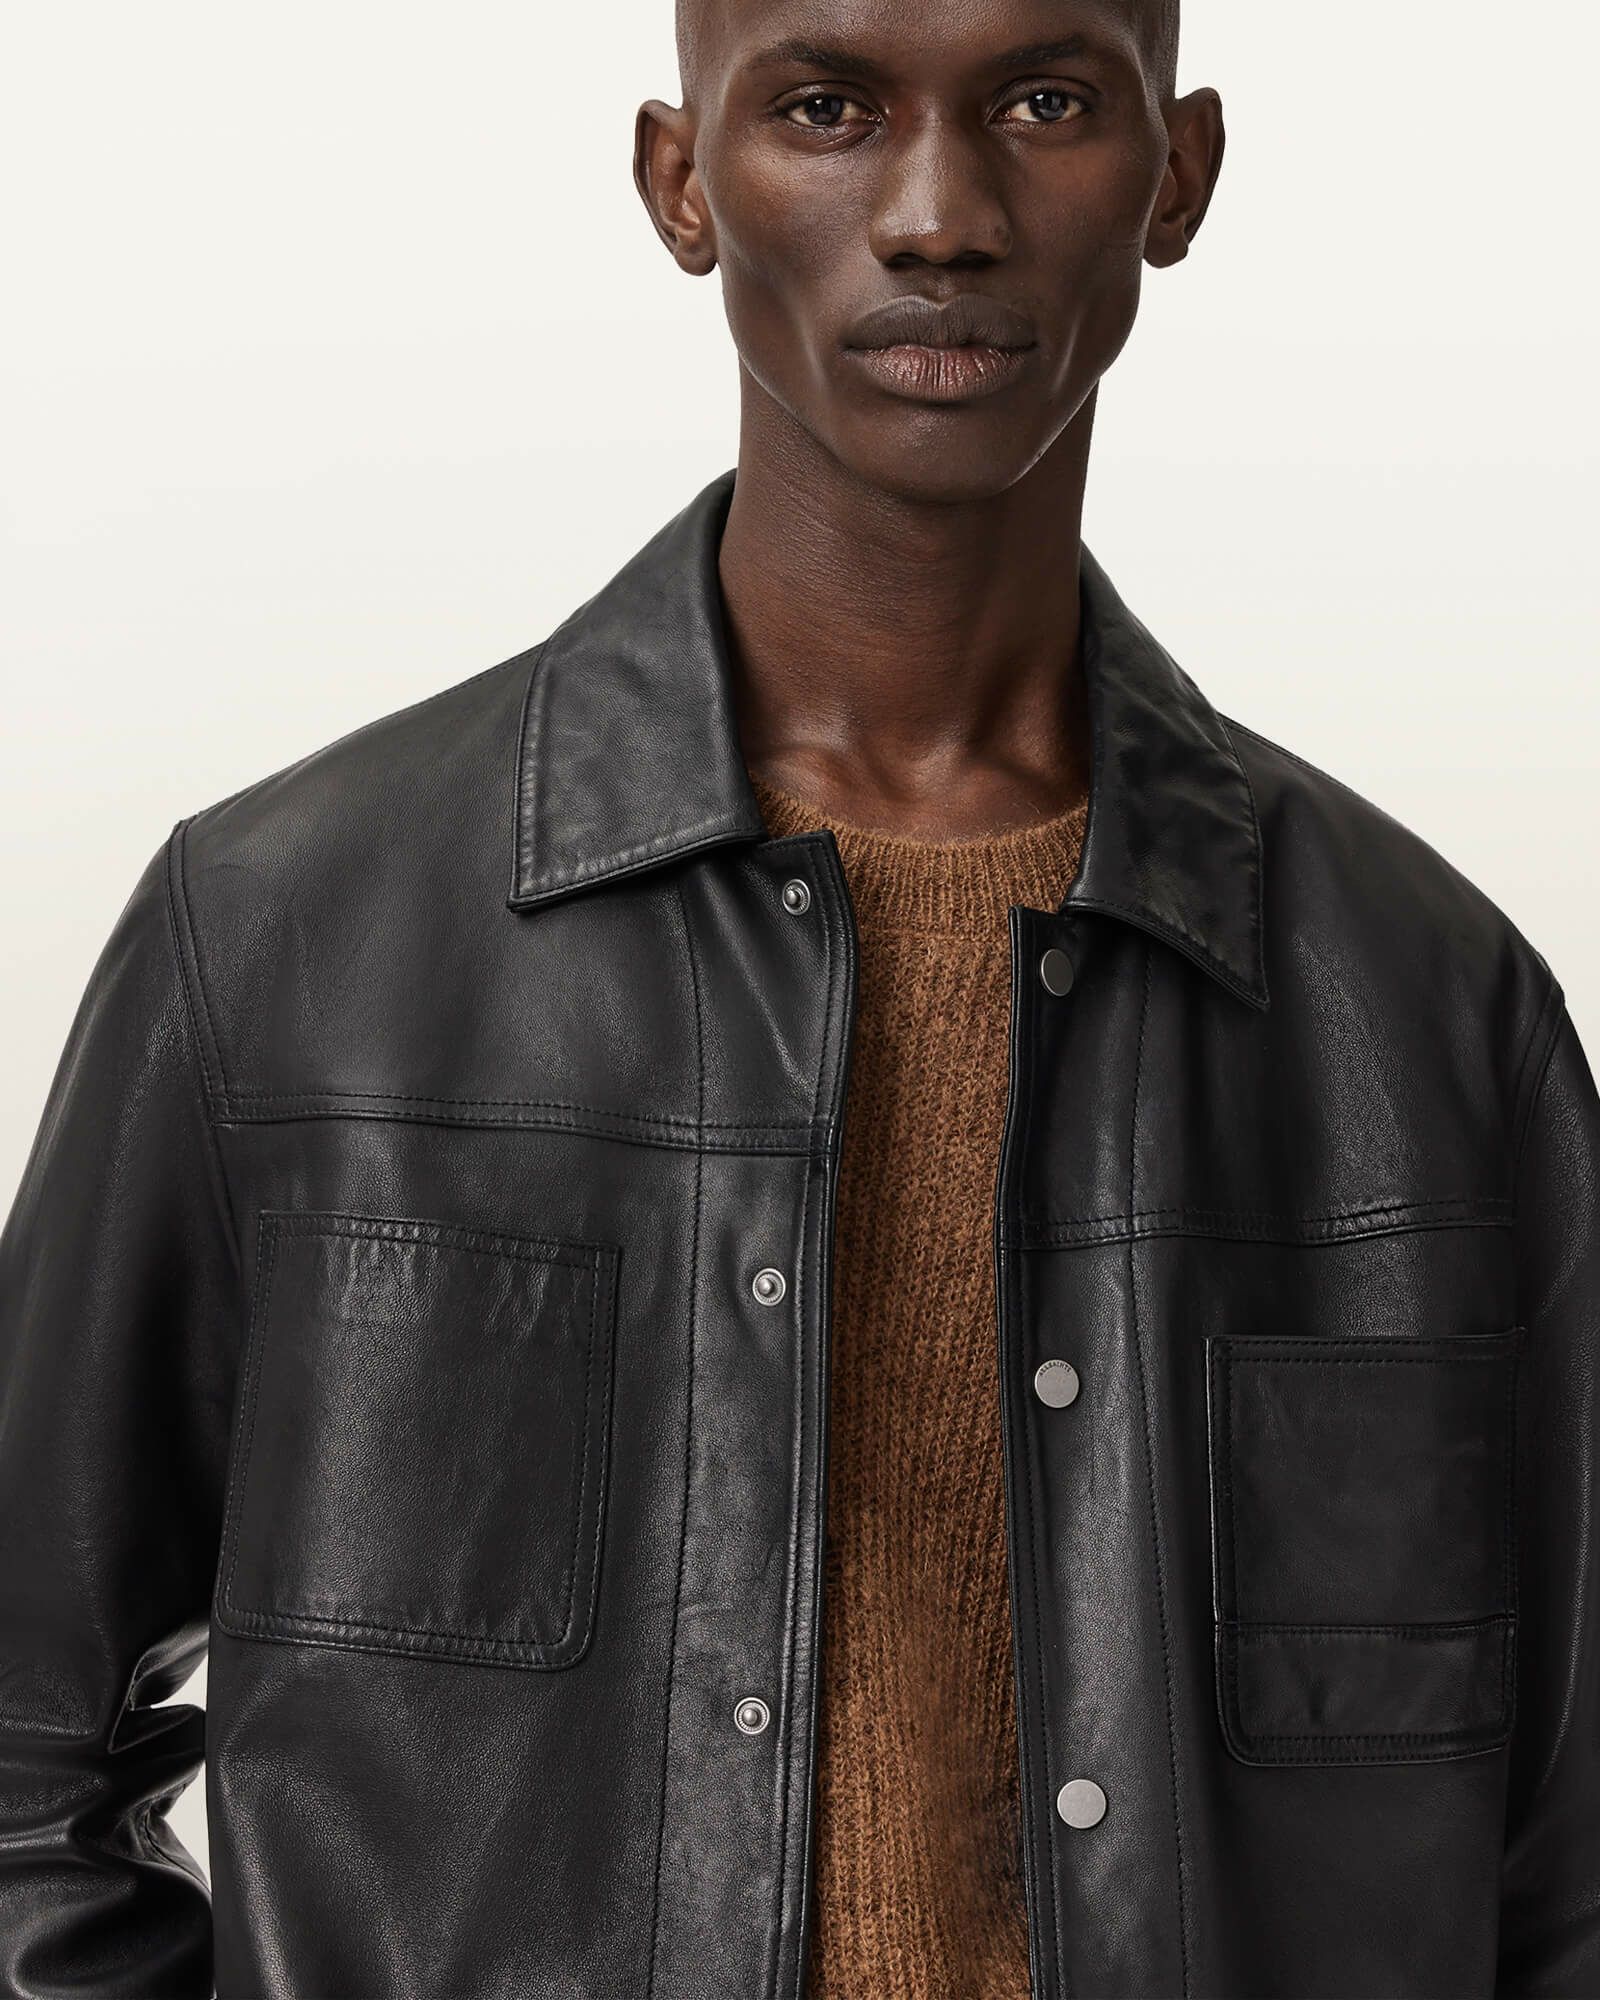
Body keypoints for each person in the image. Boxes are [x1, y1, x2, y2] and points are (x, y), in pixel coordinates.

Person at [2, 0, 1596, 1994]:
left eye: (1043, 100)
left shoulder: (1427, 1015)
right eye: (827, 107)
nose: (938, 212)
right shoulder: (280, 940)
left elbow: (1568, 1883)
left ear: (1176, 175)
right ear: (684, 181)